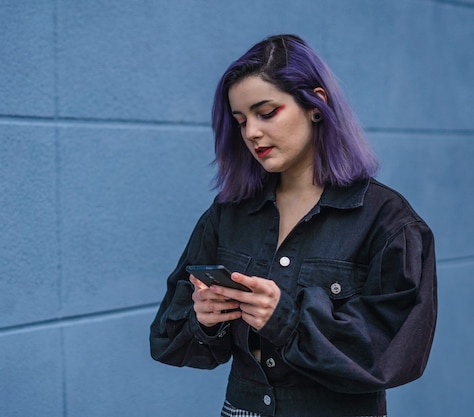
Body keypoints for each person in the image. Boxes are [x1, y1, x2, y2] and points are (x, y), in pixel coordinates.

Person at [149, 34, 437, 417]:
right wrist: (205, 319)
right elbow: (167, 340)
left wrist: (286, 318)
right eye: (240, 121)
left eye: (266, 112)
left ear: (316, 105)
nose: (251, 132)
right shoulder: (228, 213)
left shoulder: (387, 220)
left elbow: (396, 353)